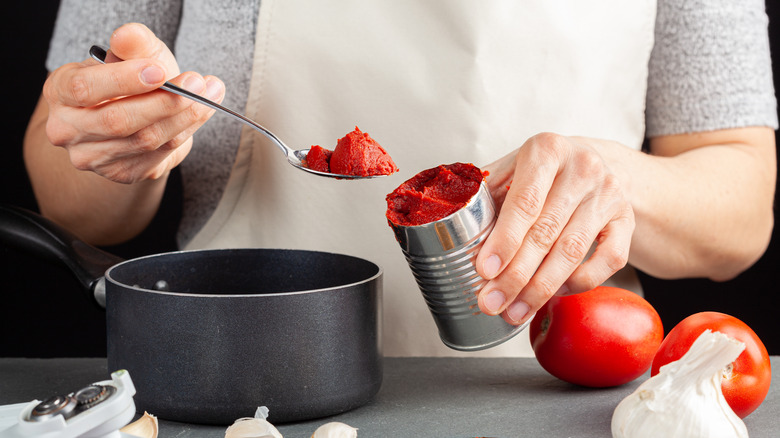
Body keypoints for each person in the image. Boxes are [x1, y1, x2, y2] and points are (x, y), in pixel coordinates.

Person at [24, 0, 777, 357]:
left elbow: (740, 213)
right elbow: (72, 203)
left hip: (552, 396)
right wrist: (116, 137)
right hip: (242, 388)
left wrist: (616, 180)